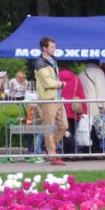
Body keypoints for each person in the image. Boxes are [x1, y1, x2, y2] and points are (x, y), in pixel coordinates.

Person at [34, 36, 68, 166]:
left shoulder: (53, 60)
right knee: (49, 128)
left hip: (58, 98)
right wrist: (61, 84)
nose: (55, 49)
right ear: (44, 48)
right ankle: (52, 154)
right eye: (52, 47)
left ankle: (50, 151)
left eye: (55, 46)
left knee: (64, 126)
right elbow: (47, 83)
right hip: (48, 99)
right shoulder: (39, 63)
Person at [79, 61, 105, 154]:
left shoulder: (81, 73)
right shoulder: (98, 72)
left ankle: (86, 149)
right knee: (96, 127)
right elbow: (100, 89)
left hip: (84, 103)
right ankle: (95, 150)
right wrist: (102, 104)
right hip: (95, 102)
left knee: (87, 127)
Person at [59, 67, 87, 157]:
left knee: (65, 132)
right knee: (71, 131)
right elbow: (81, 94)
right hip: (73, 109)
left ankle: (68, 152)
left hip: (60, 108)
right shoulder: (75, 78)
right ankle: (73, 151)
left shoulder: (56, 79)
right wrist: (84, 110)